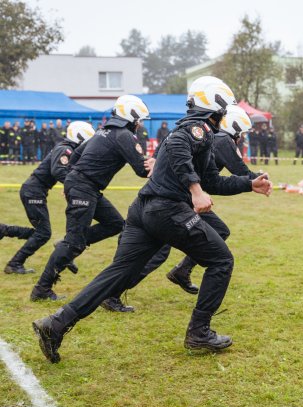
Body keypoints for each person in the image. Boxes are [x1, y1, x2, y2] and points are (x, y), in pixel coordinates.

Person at [32, 76, 272, 363]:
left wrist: (248, 184)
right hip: (167, 210)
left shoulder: (199, 132)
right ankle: (199, 333)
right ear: (217, 105)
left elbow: (212, 180)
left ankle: (55, 324)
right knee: (221, 261)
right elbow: (179, 149)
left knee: (118, 273)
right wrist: (194, 190)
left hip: (144, 210)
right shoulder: (196, 129)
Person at [101, 104, 261, 312]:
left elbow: (208, 176)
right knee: (158, 252)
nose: (241, 137)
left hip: (179, 198)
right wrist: (258, 180)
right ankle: (113, 293)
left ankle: (182, 271)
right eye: (241, 133)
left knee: (218, 231)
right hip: (175, 200)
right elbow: (239, 170)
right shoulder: (220, 139)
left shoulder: (207, 134)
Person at [30, 95, 151, 301]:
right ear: (130, 117)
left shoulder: (102, 131)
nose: (140, 124)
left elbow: (76, 156)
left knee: (115, 224)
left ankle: (67, 245)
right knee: (74, 243)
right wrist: (157, 164)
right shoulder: (123, 135)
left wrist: (71, 183)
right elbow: (141, 169)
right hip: (85, 188)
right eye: (139, 120)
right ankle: (42, 289)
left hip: (85, 187)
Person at [0, 122, 95, 274]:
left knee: (40, 233)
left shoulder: (67, 149)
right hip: (33, 192)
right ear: (80, 137)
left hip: (35, 191)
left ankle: (4, 230)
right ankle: (14, 263)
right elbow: (58, 171)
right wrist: (74, 186)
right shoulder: (65, 149)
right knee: (43, 233)